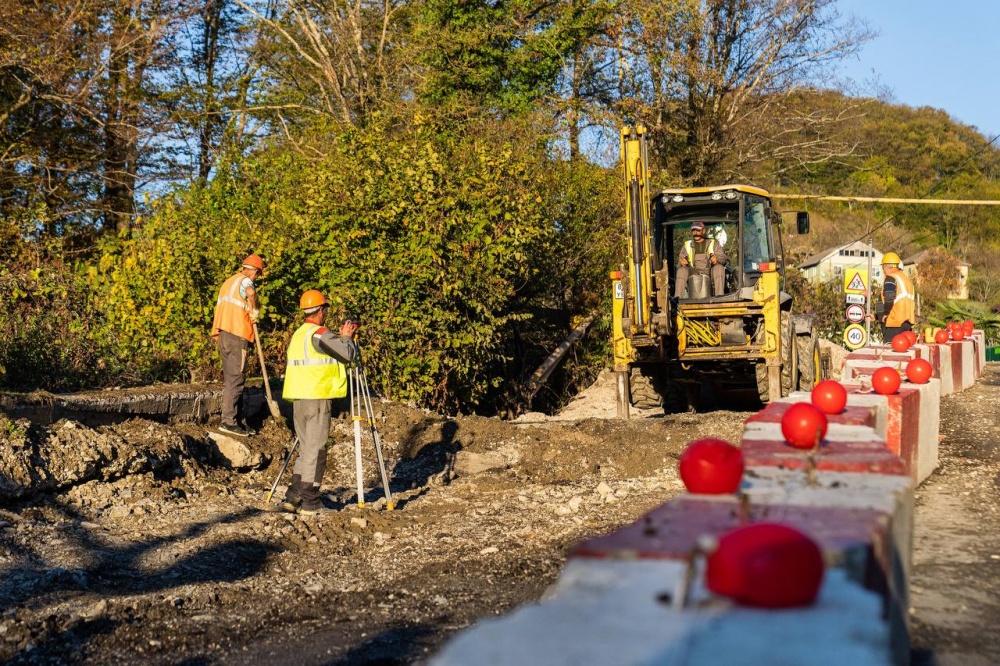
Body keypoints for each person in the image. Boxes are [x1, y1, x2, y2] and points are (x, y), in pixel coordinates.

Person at [280, 289, 359, 515]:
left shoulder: (299, 334)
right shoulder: (318, 333)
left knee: (306, 449)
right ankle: (311, 503)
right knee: (316, 450)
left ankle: (294, 497)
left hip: (299, 398)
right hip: (316, 397)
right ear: (321, 311)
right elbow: (346, 354)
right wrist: (346, 337)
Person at [211, 254, 264, 437]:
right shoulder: (245, 281)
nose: (256, 278)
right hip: (236, 334)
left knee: (232, 377)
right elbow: (250, 293)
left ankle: (239, 421)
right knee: (236, 378)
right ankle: (228, 422)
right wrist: (255, 307)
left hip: (224, 334)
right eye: (258, 275)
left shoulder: (228, 282)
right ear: (255, 271)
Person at [675, 220, 728, 298]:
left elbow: (723, 258)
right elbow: (679, 262)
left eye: (698, 230)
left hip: (710, 272)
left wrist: (717, 259)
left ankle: (719, 298)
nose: (695, 233)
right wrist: (681, 262)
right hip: (692, 272)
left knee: (719, 268)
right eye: (693, 230)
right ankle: (677, 299)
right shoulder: (687, 245)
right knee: (681, 270)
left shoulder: (714, 243)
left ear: (703, 231)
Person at [875, 251, 916, 342]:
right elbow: (900, 301)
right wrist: (877, 316)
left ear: (888, 266)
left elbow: (889, 298)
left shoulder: (891, 278)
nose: (883, 270)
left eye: (883, 267)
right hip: (907, 324)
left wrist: (885, 314)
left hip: (894, 324)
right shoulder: (906, 280)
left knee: (892, 353)